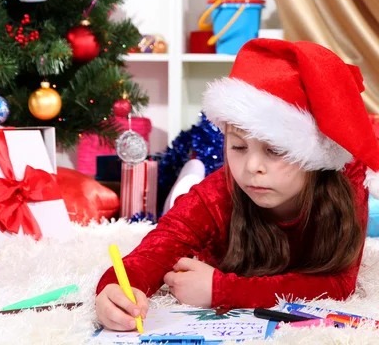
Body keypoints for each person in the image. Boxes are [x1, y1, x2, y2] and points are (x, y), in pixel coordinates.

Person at [95, 38, 379, 332]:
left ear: (314, 154)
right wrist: (114, 290)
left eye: (275, 150)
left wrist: (224, 290)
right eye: (238, 147)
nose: (251, 167)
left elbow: (339, 284)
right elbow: (154, 252)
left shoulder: (347, 182)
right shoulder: (219, 193)